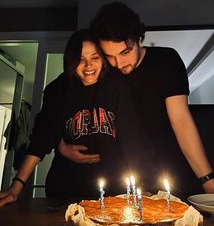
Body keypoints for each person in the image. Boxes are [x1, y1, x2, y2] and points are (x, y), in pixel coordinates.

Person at [59, 2, 214, 196]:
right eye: (110, 56)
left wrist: (210, 183)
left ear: (140, 38)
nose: (119, 63)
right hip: (121, 181)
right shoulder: (104, 71)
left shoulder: (165, 61)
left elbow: (181, 121)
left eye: (125, 52)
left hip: (171, 173)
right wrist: (61, 146)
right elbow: (62, 101)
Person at [0, 29, 145, 207]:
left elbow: (133, 138)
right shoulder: (58, 89)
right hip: (65, 190)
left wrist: (142, 184)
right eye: (80, 59)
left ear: (104, 59)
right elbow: (41, 138)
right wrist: (16, 187)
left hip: (113, 192)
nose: (88, 66)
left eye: (95, 57)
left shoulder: (118, 85)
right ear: (71, 60)